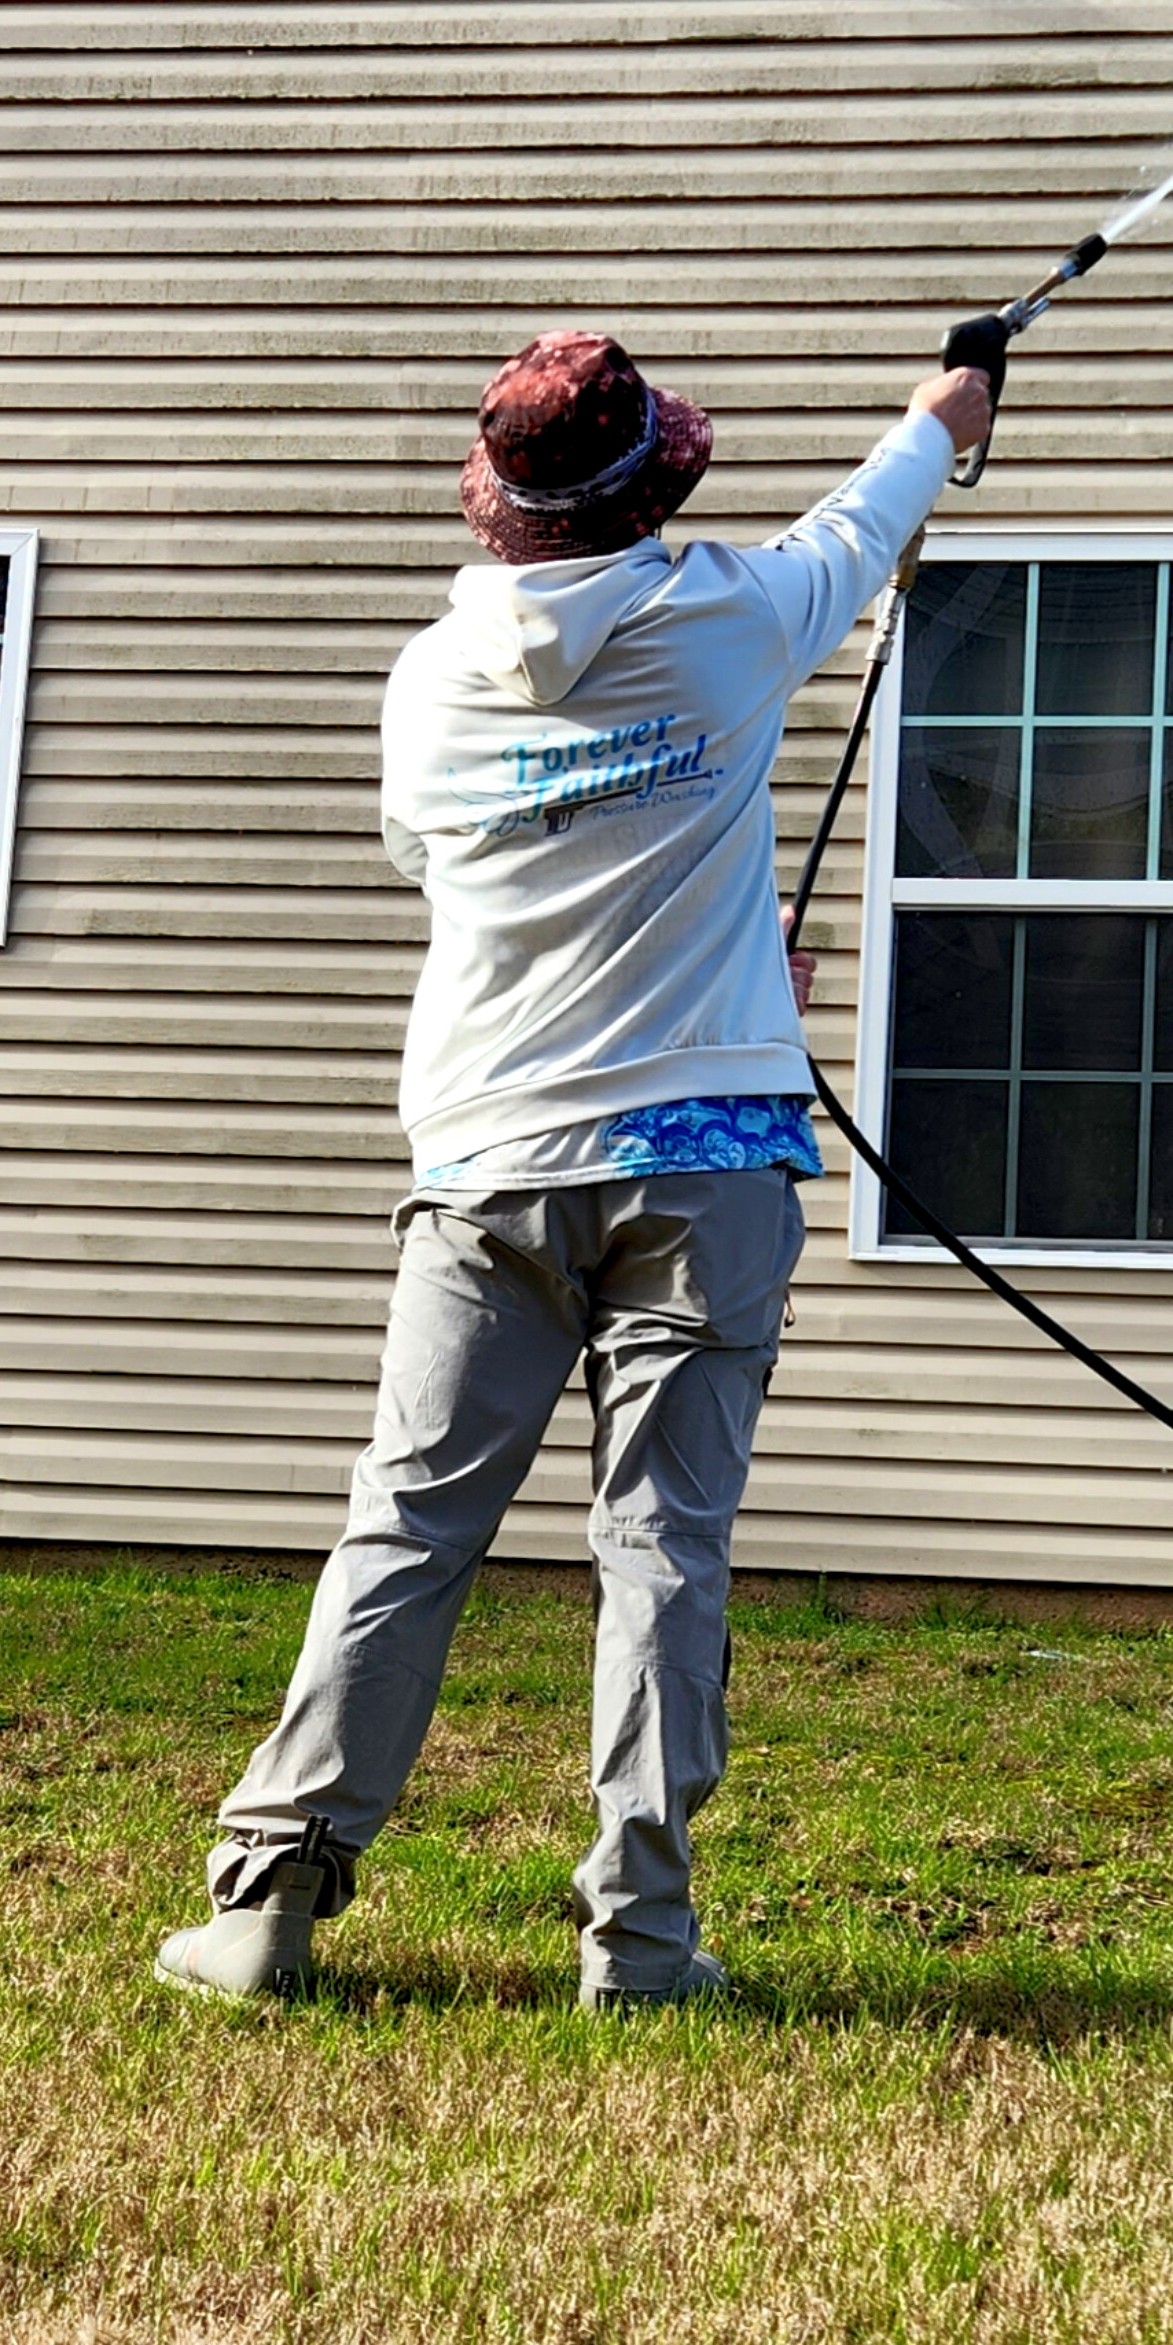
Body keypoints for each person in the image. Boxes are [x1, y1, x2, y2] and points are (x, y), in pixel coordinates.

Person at [157, 324, 993, 2009]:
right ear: (650, 490)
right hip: (711, 1166)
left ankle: (266, 1908)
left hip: (487, 1159)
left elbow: (468, 873)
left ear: (501, 509)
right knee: (665, 1546)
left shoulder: (427, 683)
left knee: (406, 1525)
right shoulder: (734, 621)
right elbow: (875, 505)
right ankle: (645, 1943)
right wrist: (944, 407)